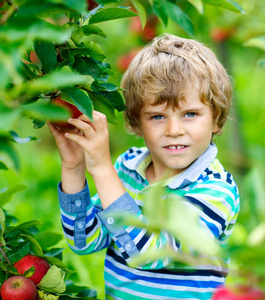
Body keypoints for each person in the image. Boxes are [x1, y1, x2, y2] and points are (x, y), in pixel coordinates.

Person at [48, 33, 240, 300]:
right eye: (158, 116)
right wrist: (73, 167)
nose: (174, 130)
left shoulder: (216, 190)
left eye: (190, 114)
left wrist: (103, 170)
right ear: (137, 123)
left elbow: (151, 253)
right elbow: (84, 241)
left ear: (216, 120)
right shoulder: (128, 168)